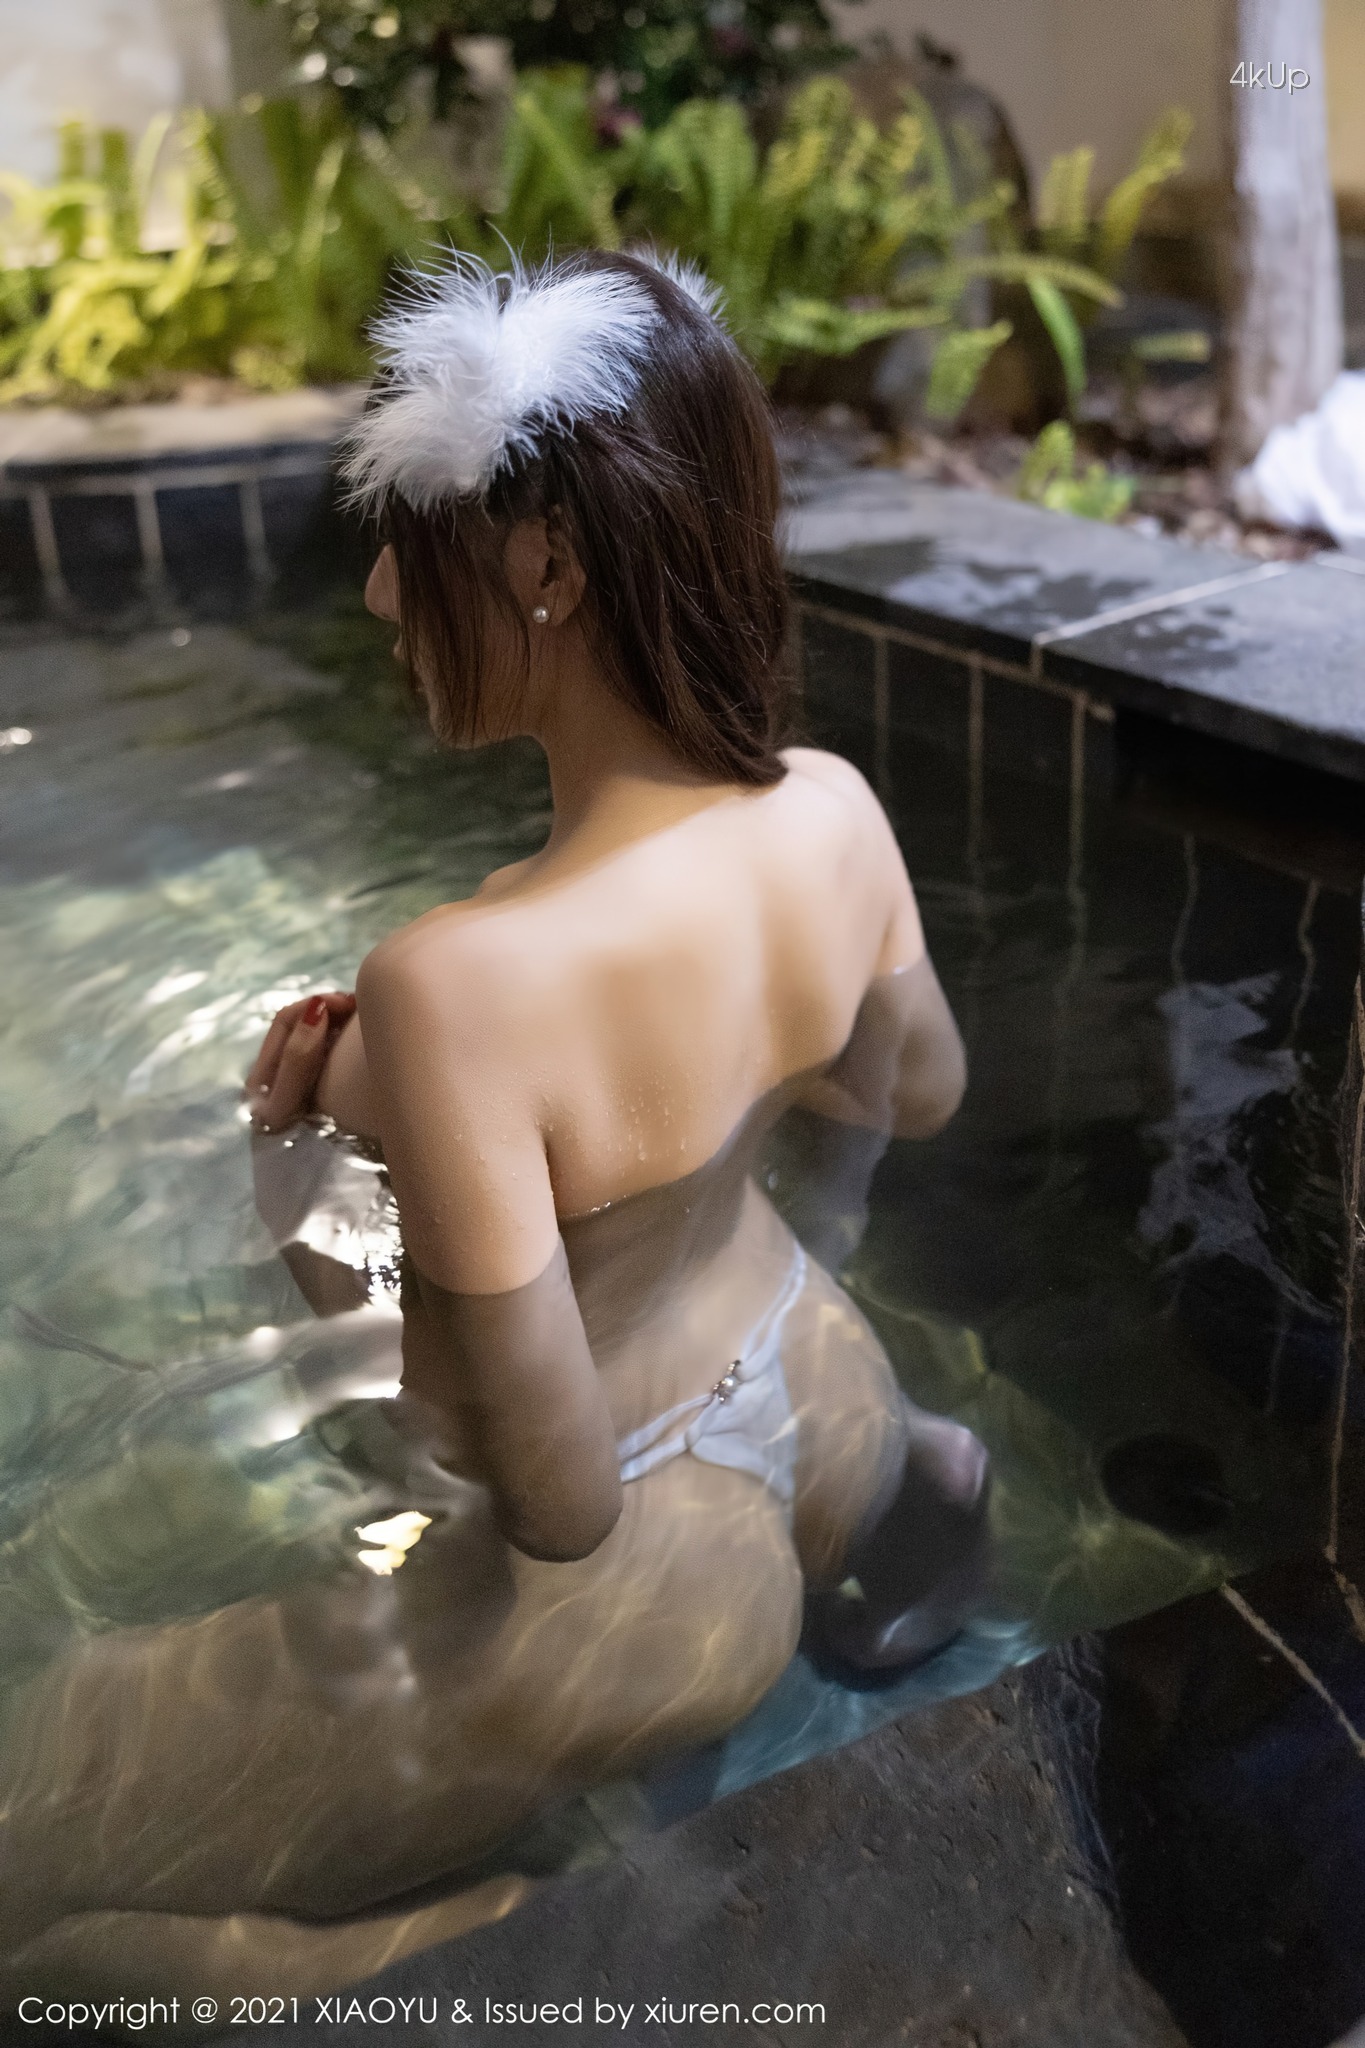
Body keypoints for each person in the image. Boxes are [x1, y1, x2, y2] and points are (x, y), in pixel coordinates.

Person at [0, 250, 985, 1998]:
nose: (384, 593)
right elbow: (915, 1091)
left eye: (412, 545)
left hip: (651, 1592)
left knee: (36, 1927)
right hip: (824, 1384)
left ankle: (510, 1950)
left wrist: (302, 1186)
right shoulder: (830, 811)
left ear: (544, 564)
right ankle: (905, 1508)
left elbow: (539, 1493)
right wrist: (733, 1076)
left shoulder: (454, 990)